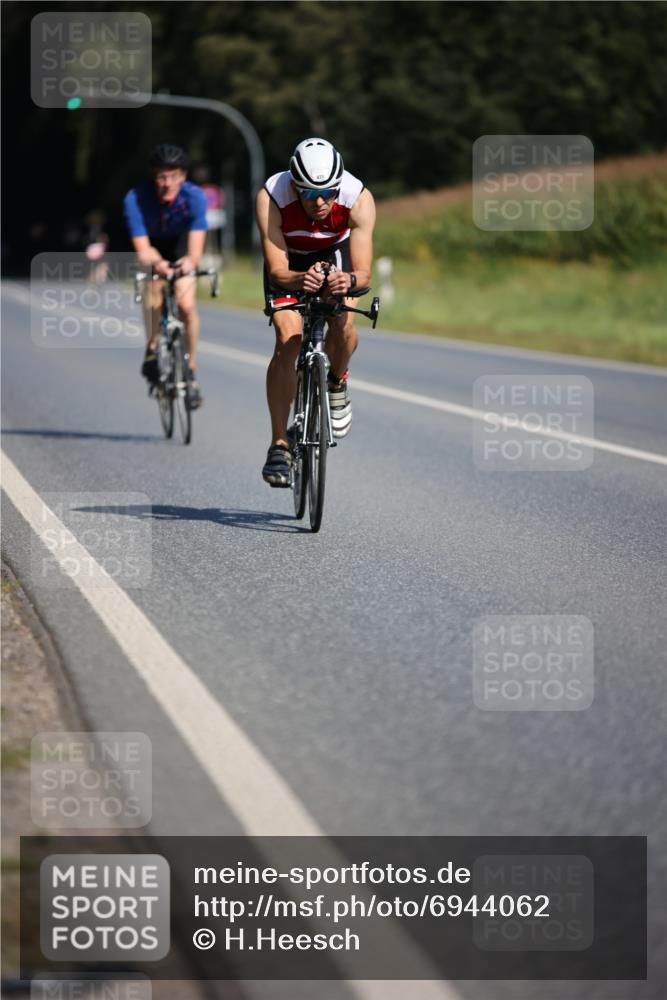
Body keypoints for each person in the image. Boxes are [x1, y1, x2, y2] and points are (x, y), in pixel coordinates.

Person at [256, 137, 376, 486]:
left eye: (329, 193)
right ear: (295, 186)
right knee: (289, 339)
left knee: (343, 328)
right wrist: (301, 278)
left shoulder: (358, 198)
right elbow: (278, 271)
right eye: (309, 194)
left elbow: (364, 274)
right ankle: (279, 443)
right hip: (290, 262)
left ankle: (336, 383)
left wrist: (347, 280)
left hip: (336, 257)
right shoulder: (271, 197)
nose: (320, 202)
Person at [123, 144, 207, 407]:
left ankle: (190, 368)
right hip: (153, 250)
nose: (167, 183)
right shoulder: (135, 198)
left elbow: (195, 252)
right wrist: (158, 263)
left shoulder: (195, 197)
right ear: (153, 177)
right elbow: (143, 248)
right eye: (161, 176)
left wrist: (187, 263)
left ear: (183, 176)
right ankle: (152, 347)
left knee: (186, 306)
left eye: (173, 176)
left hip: (181, 247)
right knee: (154, 284)